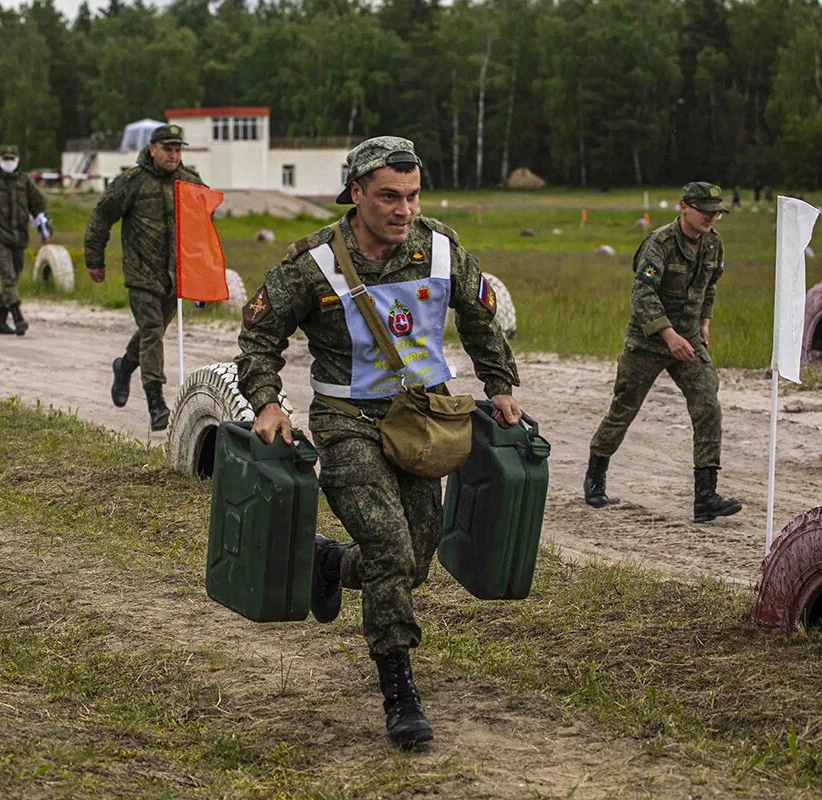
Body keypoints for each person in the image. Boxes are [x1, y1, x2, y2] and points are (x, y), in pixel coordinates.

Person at [235, 136, 521, 748]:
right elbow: (259, 336)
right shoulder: (313, 263)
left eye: (413, 196)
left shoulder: (440, 247)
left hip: (425, 426)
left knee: (415, 561)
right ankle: (399, 692)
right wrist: (266, 401)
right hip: (349, 424)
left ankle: (331, 563)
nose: (404, 209)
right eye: (389, 196)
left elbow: (479, 318)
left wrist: (499, 387)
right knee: (392, 549)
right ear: (356, 193)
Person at [583, 182, 742, 523]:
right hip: (648, 341)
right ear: (684, 207)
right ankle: (595, 477)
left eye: (716, 212)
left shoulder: (714, 244)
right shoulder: (660, 243)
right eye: (704, 211)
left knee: (707, 405)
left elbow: (710, 286)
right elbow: (643, 295)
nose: (711, 218)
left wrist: (704, 323)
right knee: (623, 409)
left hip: (688, 338)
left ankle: (706, 496)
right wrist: (668, 335)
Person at [83, 124, 205, 431]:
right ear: (152, 149)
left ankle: (124, 367)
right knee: (151, 330)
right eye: (168, 149)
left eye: (178, 150)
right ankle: (157, 404)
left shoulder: (190, 182)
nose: (174, 155)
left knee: (154, 333)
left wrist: (202, 274)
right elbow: (100, 217)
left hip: (174, 276)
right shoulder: (131, 182)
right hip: (141, 274)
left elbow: (203, 226)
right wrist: (94, 260)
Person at [0, 144, 49, 336]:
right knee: (8, 277)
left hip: (19, 239)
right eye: (5, 159)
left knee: (13, 278)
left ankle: (0, 322)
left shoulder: (24, 182)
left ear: (18, 160)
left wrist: (44, 227)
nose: (8, 162)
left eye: (11, 159)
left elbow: (38, 205)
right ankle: (18, 317)